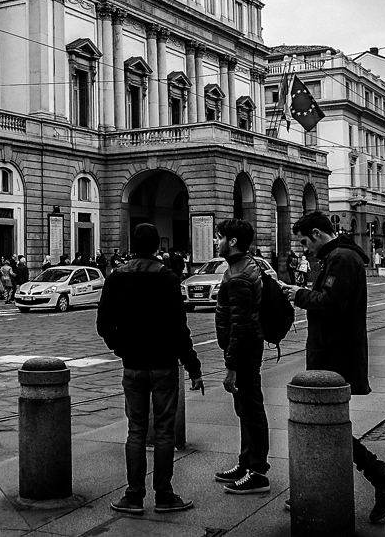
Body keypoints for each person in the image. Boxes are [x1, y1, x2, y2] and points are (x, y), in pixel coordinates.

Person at [287, 211, 385, 524]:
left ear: (316, 233)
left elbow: (330, 303)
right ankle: (318, 486)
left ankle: (383, 477)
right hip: (333, 350)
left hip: (334, 354)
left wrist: (296, 294)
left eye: (304, 241)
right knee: (327, 423)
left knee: (327, 423)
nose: (304, 249)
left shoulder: (340, 258)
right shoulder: (338, 256)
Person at [96, 222, 203, 515]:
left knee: (136, 431)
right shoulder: (168, 279)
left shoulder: (116, 278)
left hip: (133, 367)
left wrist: (123, 349)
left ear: (132, 243)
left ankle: (133, 496)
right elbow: (180, 329)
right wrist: (193, 367)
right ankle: (165, 496)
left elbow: (103, 325)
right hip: (165, 365)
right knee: (165, 432)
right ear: (158, 246)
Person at [213, 218, 272, 495]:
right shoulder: (244, 265)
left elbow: (240, 325)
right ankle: (246, 462)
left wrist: (231, 367)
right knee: (246, 409)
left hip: (245, 350)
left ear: (233, 241)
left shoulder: (238, 275)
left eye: (220, 237)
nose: (217, 242)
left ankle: (258, 471)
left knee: (251, 408)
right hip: (248, 347)